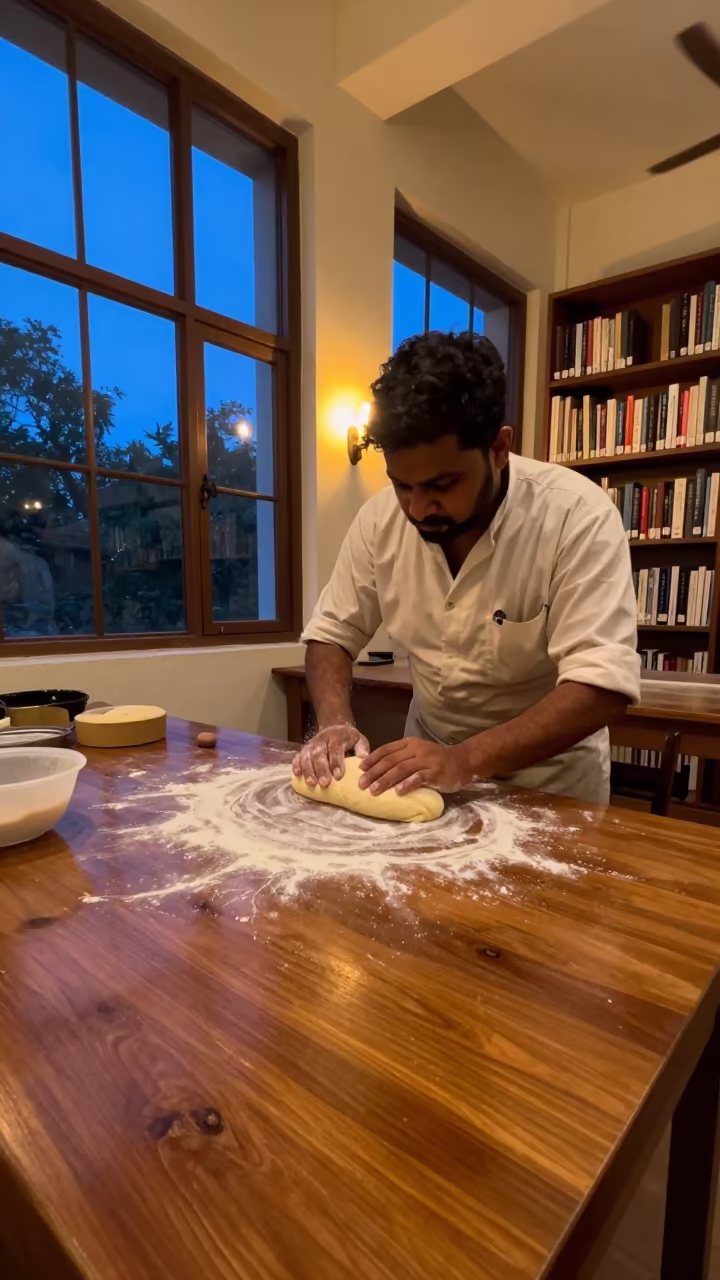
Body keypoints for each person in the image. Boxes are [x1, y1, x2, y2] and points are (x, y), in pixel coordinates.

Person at [293, 331, 639, 805]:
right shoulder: (380, 520)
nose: (417, 509)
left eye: (442, 484)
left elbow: (601, 686)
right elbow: (331, 634)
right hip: (423, 777)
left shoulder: (576, 515)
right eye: (401, 485)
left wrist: (464, 760)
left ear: (498, 449)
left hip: (551, 786)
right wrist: (335, 722)